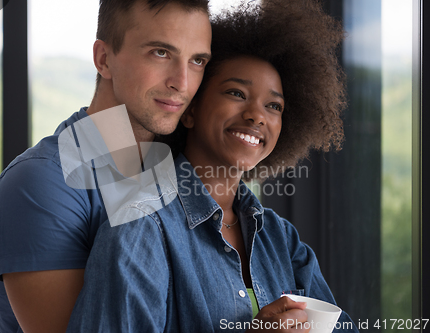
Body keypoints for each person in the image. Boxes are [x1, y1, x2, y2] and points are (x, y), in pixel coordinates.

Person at [66, 0, 359, 332]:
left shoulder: (280, 238)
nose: (257, 116)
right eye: (236, 93)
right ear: (189, 110)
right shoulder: (140, 229)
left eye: (274, 105)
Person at [0, 0, 212, 332]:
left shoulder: (178, 171)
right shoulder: (40, 186)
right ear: (104, 60)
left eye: (197, 60)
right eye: (161, 53)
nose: (183, 82)